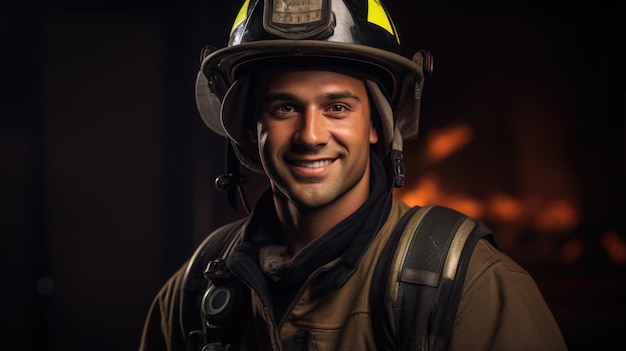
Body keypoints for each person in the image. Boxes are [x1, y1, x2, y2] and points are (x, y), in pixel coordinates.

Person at [140, 1, 568, 350]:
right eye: (285, 107)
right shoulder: (194, 289)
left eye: (337, 107)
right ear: (251, 127)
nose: (311, 135)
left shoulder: (466, 285)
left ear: (377, 124)